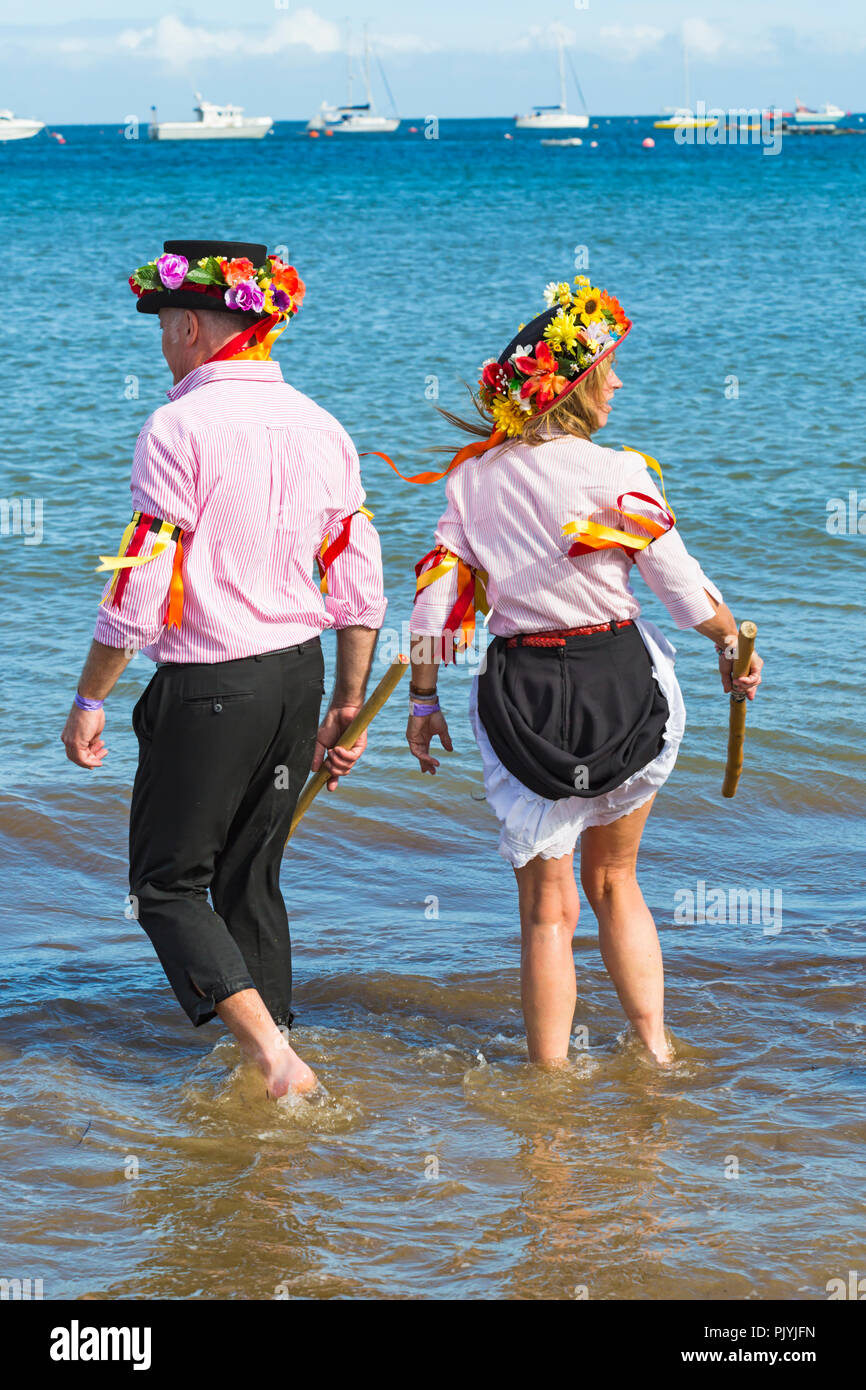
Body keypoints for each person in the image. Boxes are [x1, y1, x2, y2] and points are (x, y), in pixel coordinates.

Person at [405, 275, 762, 1067]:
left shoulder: (472, 478)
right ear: (576, 384)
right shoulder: (619, 471)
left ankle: (549, 1079)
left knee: (544, 912)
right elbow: (680, 586)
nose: (621, 382)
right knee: (618, 881)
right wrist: (733, 645)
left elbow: (435, 604)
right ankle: (656, 1049)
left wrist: (424, 700)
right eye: (610, 369)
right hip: (623, 683)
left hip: (522, 693)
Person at [61, 239, 386, 1098]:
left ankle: (274, 1063)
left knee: (166, 886)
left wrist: (91, 694)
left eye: (165, 326)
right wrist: (348, 699)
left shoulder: (177, 425)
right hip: (298, 675)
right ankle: (271, 1053)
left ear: (197, 329)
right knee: (252, 877)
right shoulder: (323, 424)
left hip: (214, 684)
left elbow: (140, 585)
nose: (162, 343)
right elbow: (358, 582)